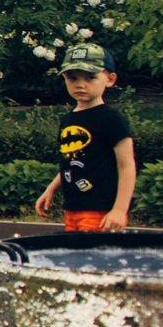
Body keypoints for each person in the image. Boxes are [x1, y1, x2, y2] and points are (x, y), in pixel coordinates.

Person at [34, 42, 136, 233]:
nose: (80, 84)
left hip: (100, 212)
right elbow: (71, 160)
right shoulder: (69, 119)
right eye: (73, 78)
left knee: (93, 260)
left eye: (90, 77)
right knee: (76, 260)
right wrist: (52, 189)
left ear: (110, 79)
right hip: (73, 209)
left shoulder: (111, 119)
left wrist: (120, 210)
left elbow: (127, 165)